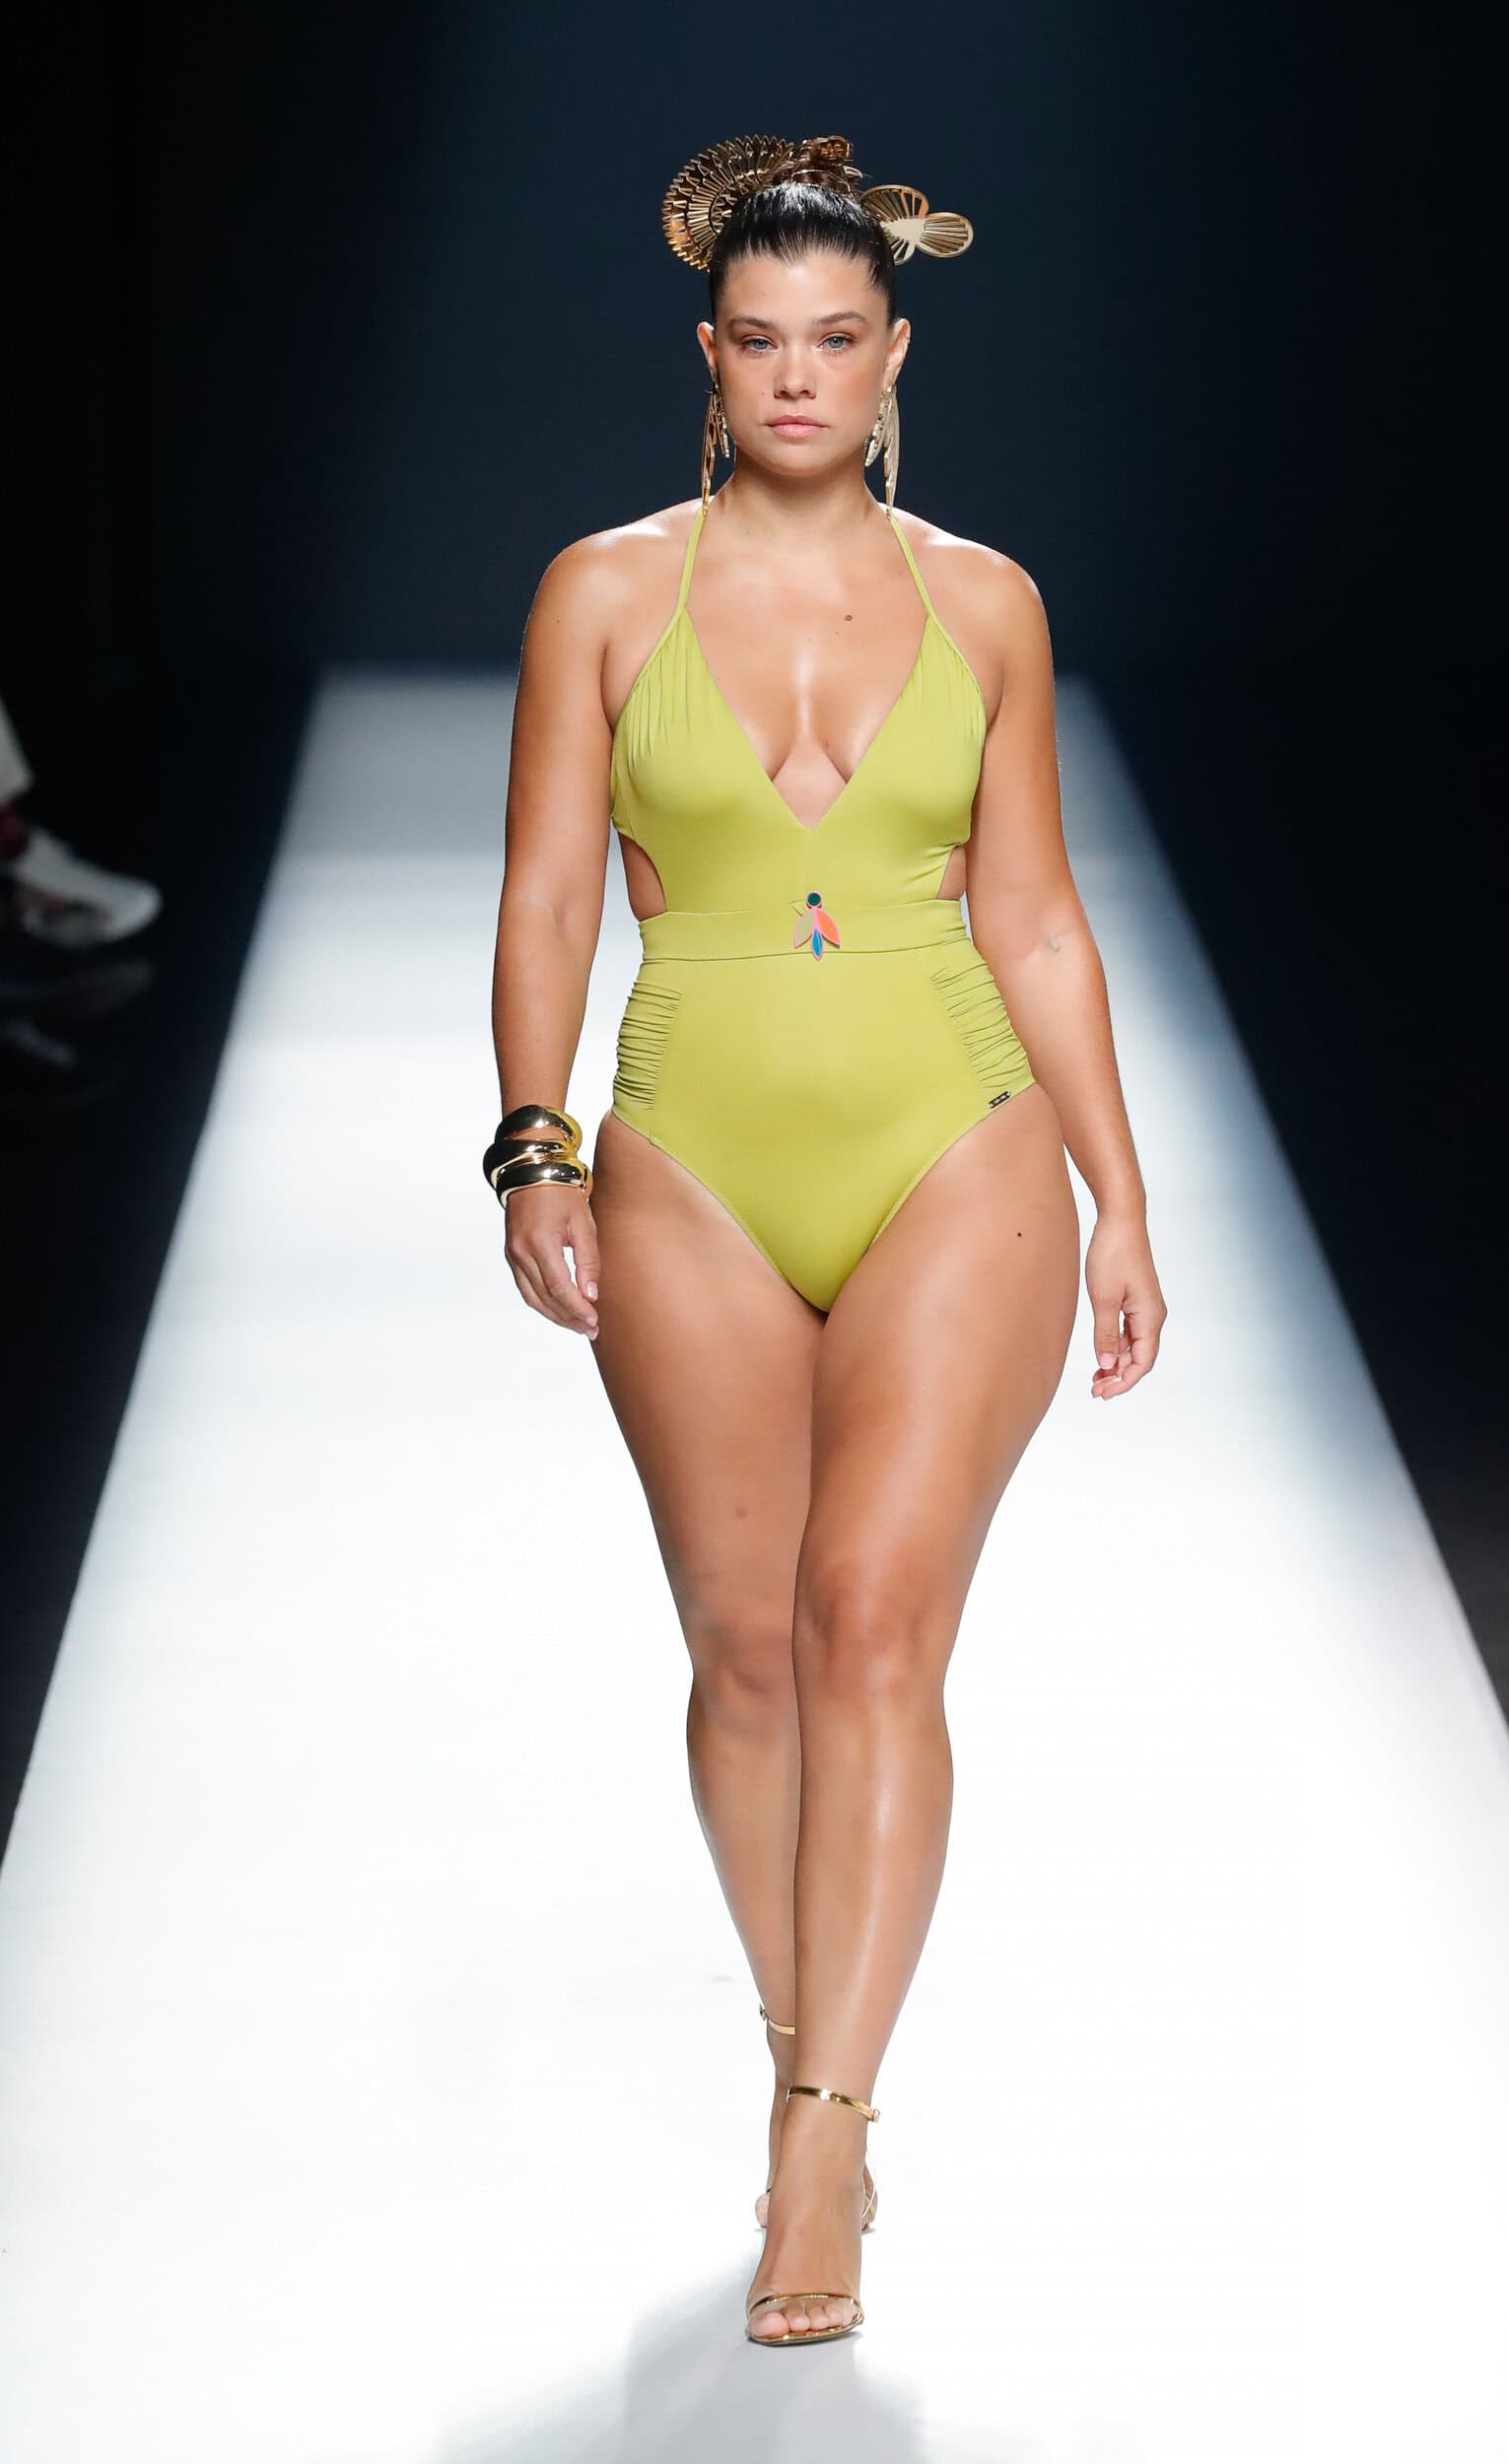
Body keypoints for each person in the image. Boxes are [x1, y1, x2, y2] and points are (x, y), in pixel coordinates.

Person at [486, 131, 1167, 2349]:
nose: (797, 375)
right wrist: (533, 1144)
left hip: (948, 1128)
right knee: (746, 1644)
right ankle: (814, 2046)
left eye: (836, 339)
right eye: (759, 340)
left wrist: (1117, 1192)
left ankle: (814, 2133)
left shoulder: (988, 603)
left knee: (871, 1616)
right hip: (685, 1134)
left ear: (894, 358)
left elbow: (1032, 913)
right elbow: (547, 893)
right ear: (708, 358)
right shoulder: (601, 594)